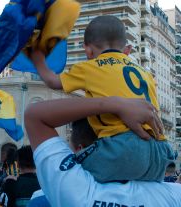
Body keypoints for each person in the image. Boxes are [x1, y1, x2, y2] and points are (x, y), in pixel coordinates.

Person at [31, 15, 173, 182]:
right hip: (160, 152)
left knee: (72, 166)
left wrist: (37, 58)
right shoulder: (146, 74)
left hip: (123, 148)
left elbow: (52, 81)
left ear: (88, 50)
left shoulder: (89, 67)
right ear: (126, 49)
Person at [24, 96, 181, 206]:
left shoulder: (69, 191)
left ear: (81, 149)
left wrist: (116, 104)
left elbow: (35, 115)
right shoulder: (172, 195)